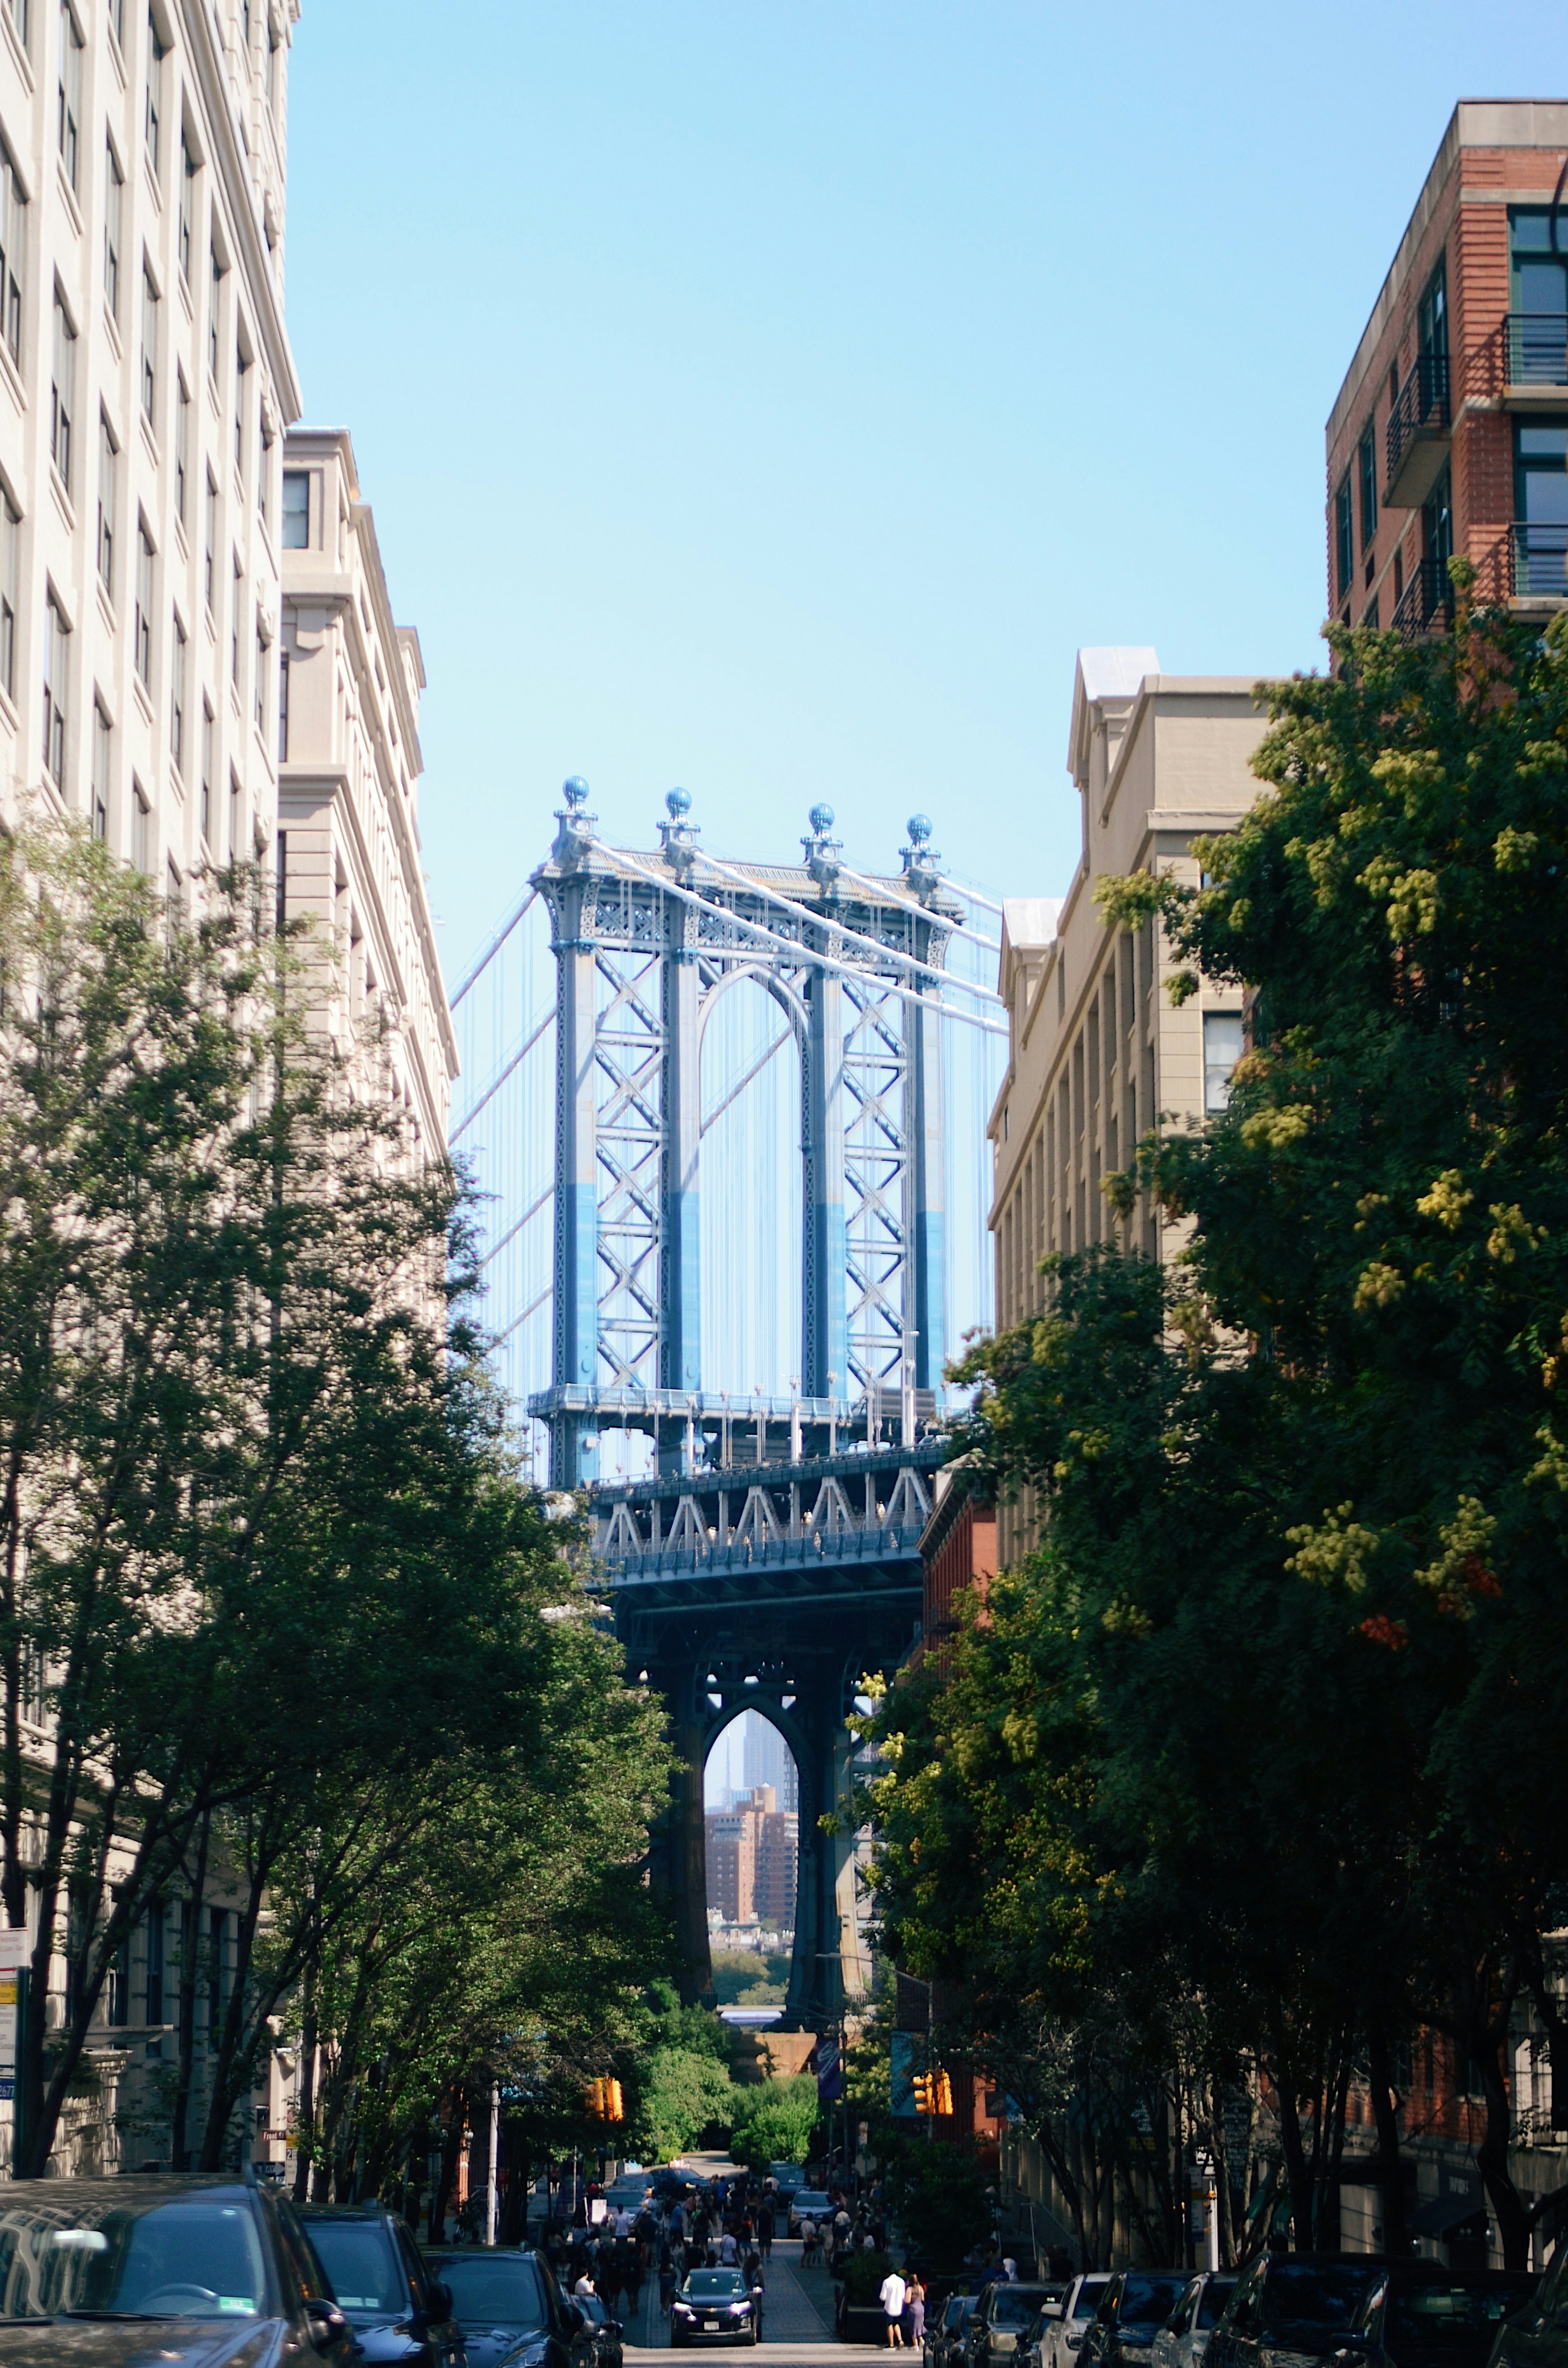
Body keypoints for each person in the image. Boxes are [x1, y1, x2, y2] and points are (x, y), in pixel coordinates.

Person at [880, 2265, 908, 2349]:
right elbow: (903, 2296)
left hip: (889, 2307)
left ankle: (891, 2344)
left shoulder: (886, 2282)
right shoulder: (901, 2282)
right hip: (899, 2307)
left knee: (889, 2324)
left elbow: (883, 2297)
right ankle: (900, 2340)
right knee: (896, 2323)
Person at [906, 2273, 926, 2349]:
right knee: (919, 2325)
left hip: (913, 2309)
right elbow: (923, 2299)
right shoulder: (920, 2288)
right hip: (921, 2308)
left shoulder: (910, 2289)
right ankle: (921, 2340)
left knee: (913, 2326)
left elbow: (908, 2300)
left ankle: (916, 2345)